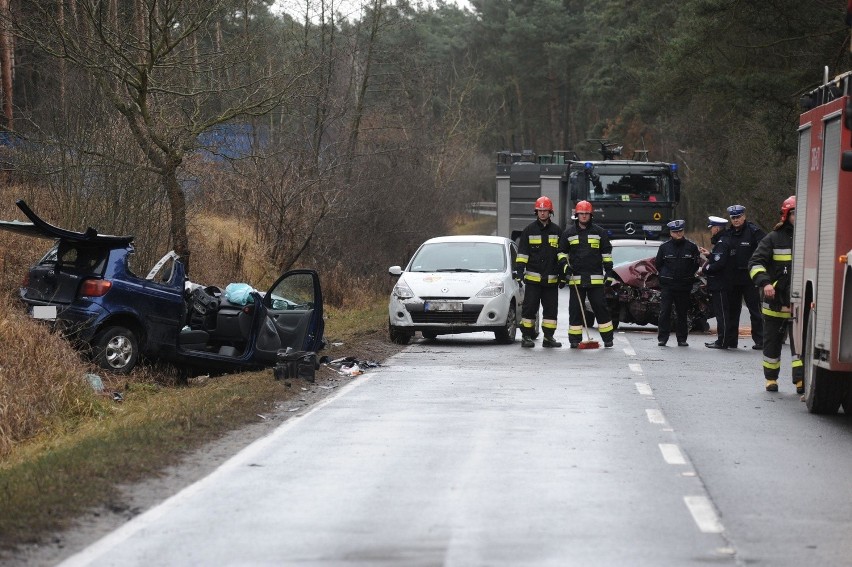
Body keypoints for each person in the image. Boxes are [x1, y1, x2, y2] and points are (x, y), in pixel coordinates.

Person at [748, 196, 805, 393]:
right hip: (774, 303)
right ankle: (771, 379)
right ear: (786, 215)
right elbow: (755, 263)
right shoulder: (773, 238)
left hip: (799, 304)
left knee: (800, 345)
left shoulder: (810, 238)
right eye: (794, 213)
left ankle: (800, 381)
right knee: (772, 344)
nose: (798, 217)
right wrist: (765, 283)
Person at [558, 200, 615, 348]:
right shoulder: (568, 233)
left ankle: (608, 338)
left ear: (591, 215)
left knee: (600, 308)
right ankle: (575, 340)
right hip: (576, 279)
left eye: (586, 214)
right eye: (581, 214)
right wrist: (565, 267)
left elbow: (606, 255)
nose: (584, 216)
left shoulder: (599, 232)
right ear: (576, 215)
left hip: (595, 279)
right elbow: (561, 253)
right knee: (575, 311)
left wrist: (609, 273)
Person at [515, 196, 563, 348]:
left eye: (545, 211)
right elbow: (522, 254)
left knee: (551, 311)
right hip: (533, 281)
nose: (542, 213)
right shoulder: (529, 231)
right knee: (529, 309)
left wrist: (562, 276)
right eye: (540, 211)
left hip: (551, 280)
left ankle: (548, 338)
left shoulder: (557, 231)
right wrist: (519, 271)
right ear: (536, 212)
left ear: (550, 212)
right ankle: (526, 337)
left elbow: (561, 254)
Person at [724, 204, 766, 349]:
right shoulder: (728, 233)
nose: (736, 220)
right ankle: (731, 340)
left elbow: (765, 249)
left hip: (749, 278)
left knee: (755, 310)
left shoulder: (753, 232)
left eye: (738, 217)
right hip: (733, 278)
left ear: (744, 217)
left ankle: (760, 340)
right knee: (733, 311)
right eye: (733, 218)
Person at [654, 219, 701, 346]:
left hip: (684, 285)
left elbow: (695, 265)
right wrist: (666, 276)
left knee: (682, 313)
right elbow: (658, 264)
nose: (678, 234)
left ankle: (682, 339)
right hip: (668, 286)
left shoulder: (691, 247)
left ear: (683, 231)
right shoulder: (664, 247)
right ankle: (663, 338)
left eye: (680, 231)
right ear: (670, 233)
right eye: (675, 232)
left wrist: (687, 276)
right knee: (665, 312)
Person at [700, 216, 733, 349]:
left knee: (722, 314)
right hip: (723, 283)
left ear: (717, 228)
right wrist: (709, 255)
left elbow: (719, 264)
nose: (711, 231)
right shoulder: (724, 240)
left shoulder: (722, 242)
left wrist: (705, 269)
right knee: (723, 312)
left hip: (720, 284)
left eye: (712, 228)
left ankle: (722, 341)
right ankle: (724, 340)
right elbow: (719, 258)